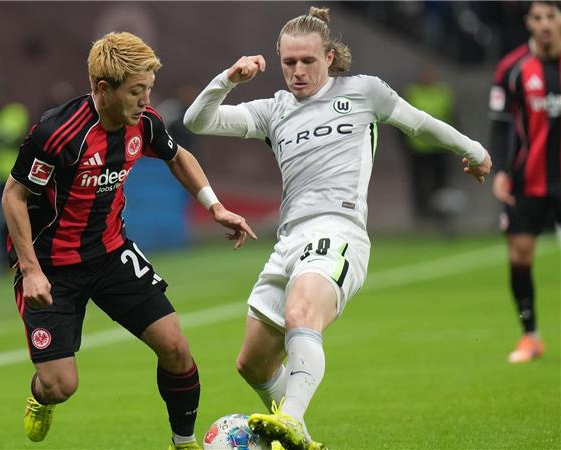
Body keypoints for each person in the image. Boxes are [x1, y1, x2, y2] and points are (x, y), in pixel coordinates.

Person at [184, 7, 491, 450]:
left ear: (329, 57)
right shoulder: (274, 110)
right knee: (252, 362)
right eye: (289, 62)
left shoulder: (363, 92)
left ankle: (290, 418)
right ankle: (298, 436)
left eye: (308, 61)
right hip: (289, 239)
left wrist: (474, 149)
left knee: (300, 315)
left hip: (339, 230)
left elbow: (419, 122)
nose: (298, 71)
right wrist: (230, 78)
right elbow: (198, 121)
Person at [1, 31, 256, 450]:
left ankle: (184, 441)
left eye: (148, 89)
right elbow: (14, 194)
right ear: (103, 89)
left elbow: (178, 156)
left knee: (175, 346)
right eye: (137, 91)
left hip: (110, 253)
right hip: (52, 269)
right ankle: (40, 394)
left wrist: (214, 207)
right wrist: (30, 270)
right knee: (61, 385)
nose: (145, 100)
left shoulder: (144, 122)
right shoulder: (58, 132)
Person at [488, 1, 560, 364]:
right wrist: (500, 169)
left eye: (551, 16)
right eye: (538, 17)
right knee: (519, 256)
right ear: (528, 22)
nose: (545, 24)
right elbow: (500, 125)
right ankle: (530, 335)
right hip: (526, 178)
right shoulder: (512, 68)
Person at [402, 62, 456, 225]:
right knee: (419, 183)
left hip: (440, 147)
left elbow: (452, 117)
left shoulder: (443, 92)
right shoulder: (412, 93)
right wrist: (405, 144)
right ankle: (421, 215)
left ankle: (441, 215)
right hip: (418, 148)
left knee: (441, 183)